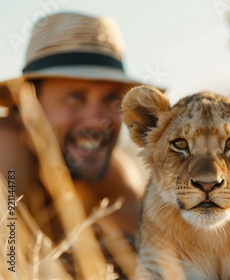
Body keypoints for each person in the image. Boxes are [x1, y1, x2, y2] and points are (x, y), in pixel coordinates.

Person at [0, 12, 146, 277]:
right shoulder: (5, 144)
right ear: (27, 103)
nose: (98, 120)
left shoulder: (114, 172)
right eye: (75, 97)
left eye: (112, 99)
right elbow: (9, 263)